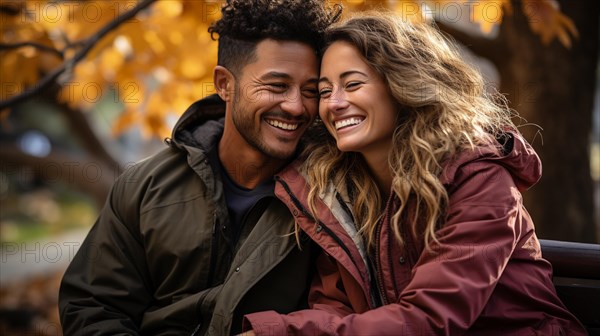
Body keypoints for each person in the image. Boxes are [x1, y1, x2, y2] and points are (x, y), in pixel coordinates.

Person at [241, 11, 588, 335]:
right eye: (325, 91)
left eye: (353, 84)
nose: (333, 104)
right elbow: (334, 307)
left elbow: (431, 317)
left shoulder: (479, 177)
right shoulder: (336, 191)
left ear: (401, 85)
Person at [58, 1, 341, 335]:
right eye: (276, 86)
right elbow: (94, 306)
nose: (296, 106)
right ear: (224, 84)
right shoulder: (144, 186)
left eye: (310, 91)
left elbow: (338, 313)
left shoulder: (330, 197)